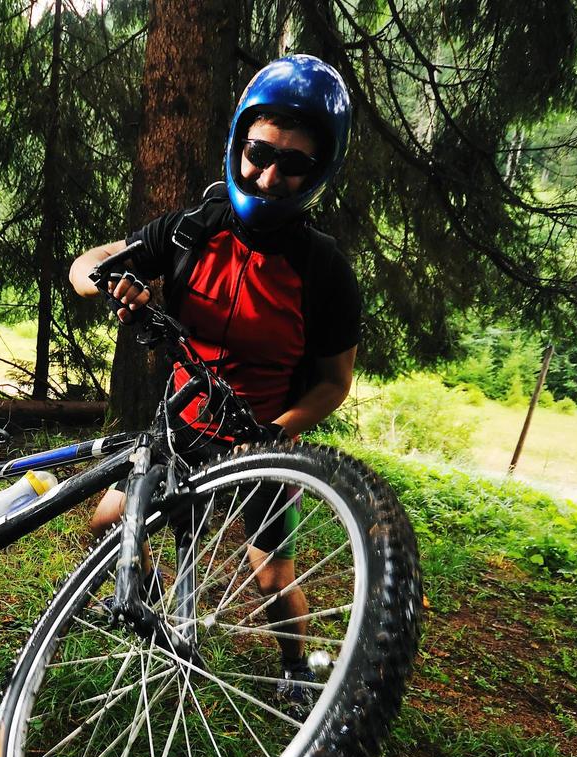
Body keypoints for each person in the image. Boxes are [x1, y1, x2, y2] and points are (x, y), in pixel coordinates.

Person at [68, 54, 360, 698]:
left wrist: (274, 434)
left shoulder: (324, 271)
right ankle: (150, 612)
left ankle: (294, 668)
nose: (269, 173)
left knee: (271, 574)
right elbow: (89, 260)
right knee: (108, 522)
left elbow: (334, 383)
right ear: (239, 144)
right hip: (182, 420)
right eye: (260, 151)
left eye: (295, 163)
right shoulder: (192, 231)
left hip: (263, 432)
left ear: (320, 171)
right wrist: (109, 280)